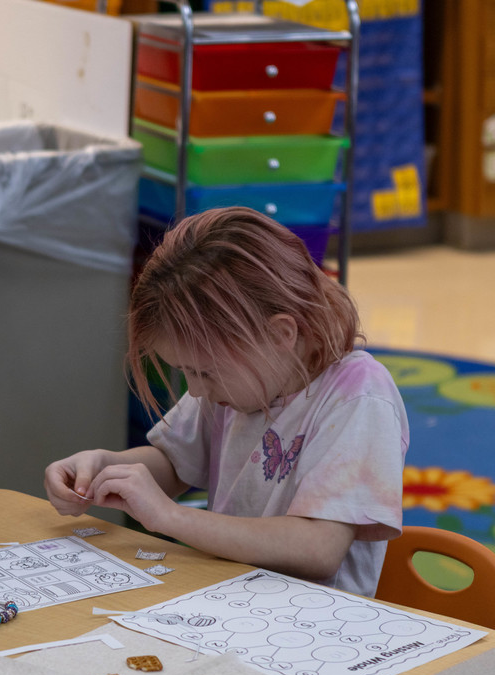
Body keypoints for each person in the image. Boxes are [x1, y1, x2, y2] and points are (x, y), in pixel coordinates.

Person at [45, 207, 407, 597]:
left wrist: (170, 517)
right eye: (187, 373)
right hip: (230, 602)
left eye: (204, 373)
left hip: (317, 627)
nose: (197, 390)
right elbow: (174, 462)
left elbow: (318, 548)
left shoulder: (359, 395)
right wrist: (105, 466)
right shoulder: (239, 378)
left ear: (281, 334)